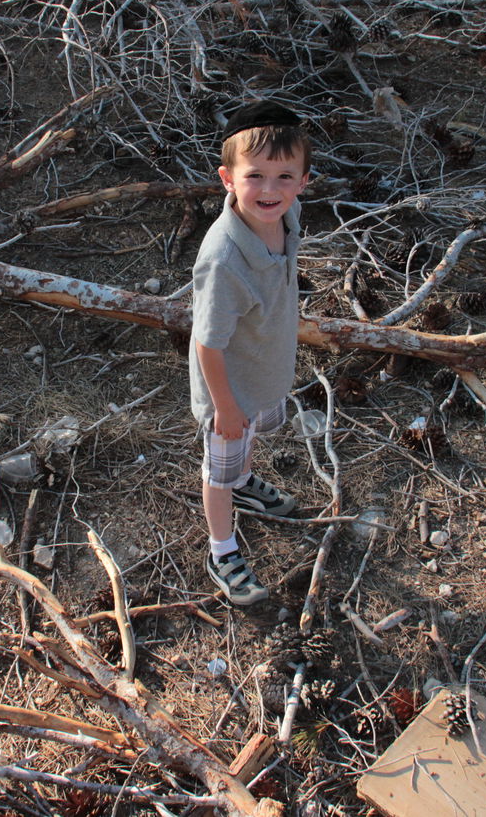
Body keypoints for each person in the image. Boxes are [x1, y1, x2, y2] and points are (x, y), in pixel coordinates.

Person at [189, 100, 311, 606]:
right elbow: (207, 342)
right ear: (227, 178)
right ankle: (221, 551)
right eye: (254, 175)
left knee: (249, 439)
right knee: (217, 471)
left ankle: (243, 479)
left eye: (284, 177)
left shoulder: (287, 215)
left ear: (303, 182)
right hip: (230, 391)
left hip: (265, 369)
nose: (269, 190)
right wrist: (225, 407)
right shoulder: (224, 260)